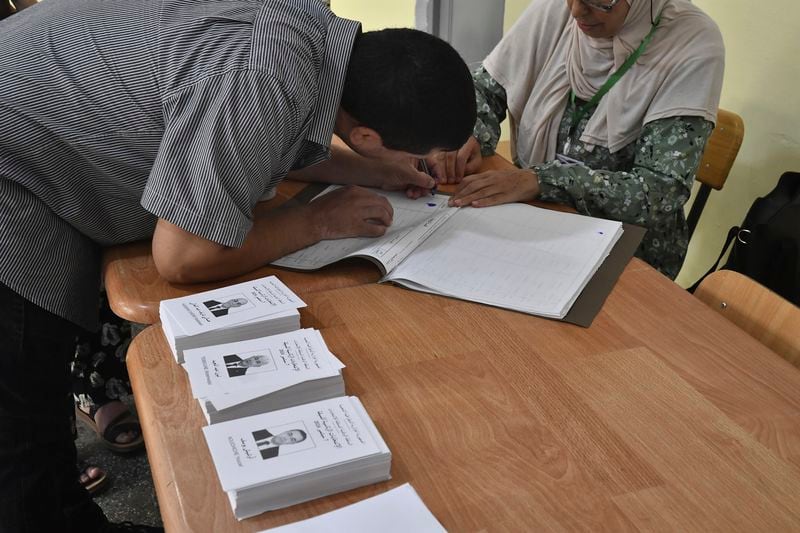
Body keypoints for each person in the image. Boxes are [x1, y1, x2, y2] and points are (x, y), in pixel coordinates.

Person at [0, 0, 476, 531]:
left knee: (32, 417)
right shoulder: (263, 76)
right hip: (13, 170)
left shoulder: (309, 36)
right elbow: (181, 256)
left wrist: (375, 171)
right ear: (365, 134)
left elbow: (273, 133)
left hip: (29, 131)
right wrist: (318, 222)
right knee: (20, 417)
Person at [434, 0, 724, 280]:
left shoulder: (692, 43)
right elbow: (484, 91)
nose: (576, 11)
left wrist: (544, 181)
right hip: (534, 215)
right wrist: (469, 132)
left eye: (600, 1)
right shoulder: (553, 10)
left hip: (627, 252)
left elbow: (660, 191)